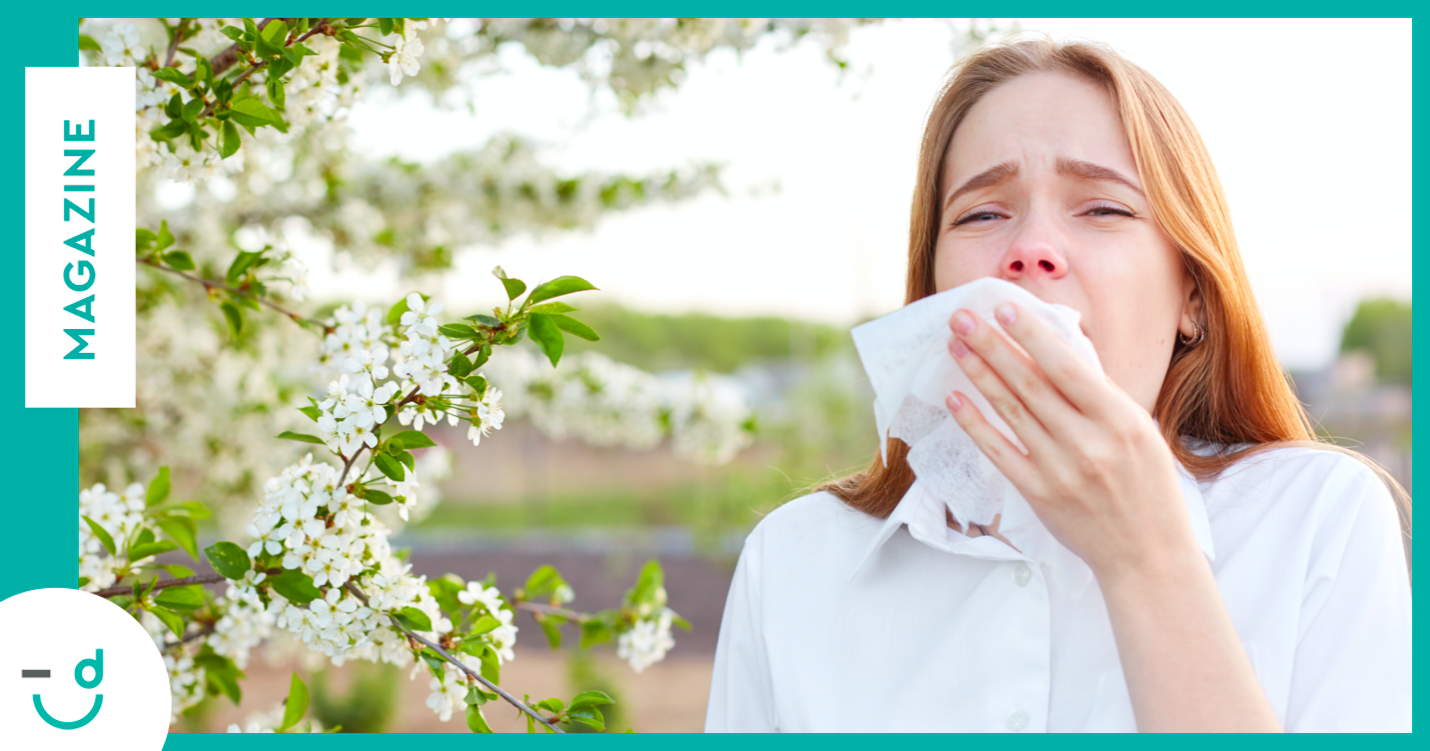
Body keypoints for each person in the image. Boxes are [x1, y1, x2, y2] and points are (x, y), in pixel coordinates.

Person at [704, 33, 1411, 733]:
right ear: (931, 292)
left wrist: (1146, 560)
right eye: (983, 213)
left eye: (1103, 208)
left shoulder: (1322, 519)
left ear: (1192, 296)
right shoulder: (793, 560)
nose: (1031, 250)